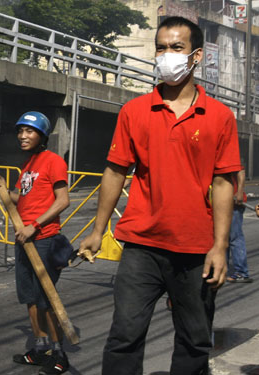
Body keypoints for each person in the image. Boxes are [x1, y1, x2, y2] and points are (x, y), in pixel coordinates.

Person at [78, 16, 241, 375]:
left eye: (176, 48)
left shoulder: (220, 117)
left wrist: (220, 246)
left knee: (195, 340)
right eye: (161, 48)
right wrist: (97, 230)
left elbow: (223, 184)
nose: (167, 55)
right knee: (124, 336)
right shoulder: (134, 111)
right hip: (141, 246)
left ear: (196, 56)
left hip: (196, 250)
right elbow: (115, 171)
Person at [0, 112, 71, 375]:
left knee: (46, 298)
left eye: (29, 131)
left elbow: (62, 201)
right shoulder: (28, 166)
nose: (23, 136)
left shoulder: (54, 161)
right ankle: (39, 348)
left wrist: (33, 226)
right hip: (24, 239)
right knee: (29, 298)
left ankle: (59, 354)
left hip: (44, 239)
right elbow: (20, 198)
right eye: (20, 131)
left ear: (42, 136)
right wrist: (5, 189)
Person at [227, 168, 253, 283]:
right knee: (223, 238)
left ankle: (242, 272)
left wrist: (239, 192)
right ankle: (222, 269)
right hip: (223, 202)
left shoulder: (230, 153)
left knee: (235, 237)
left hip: (234, 203)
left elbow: (241, 171)